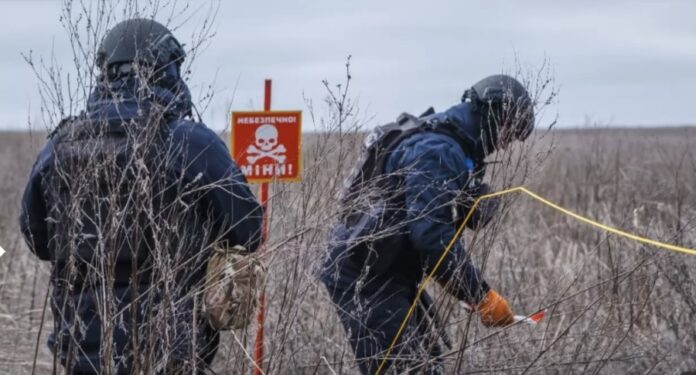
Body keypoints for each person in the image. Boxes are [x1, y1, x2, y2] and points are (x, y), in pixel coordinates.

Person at [19, 18, 263, 374]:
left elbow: (36, 238)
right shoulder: (190, 141)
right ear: (169, 71)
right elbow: (250, 230)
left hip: (80, 343)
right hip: (171, 344)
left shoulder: (59, 146)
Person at [321, 75, 535, 374]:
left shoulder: (453, 142)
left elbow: (419, 210)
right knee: (404, 369)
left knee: (428, 363)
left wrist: (468, 205)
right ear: (493, 115)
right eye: (507, 134)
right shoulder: (437, 150)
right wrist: (481, 296)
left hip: (388, 266)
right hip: (365, 276)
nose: (503, 145)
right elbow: (432, 237)